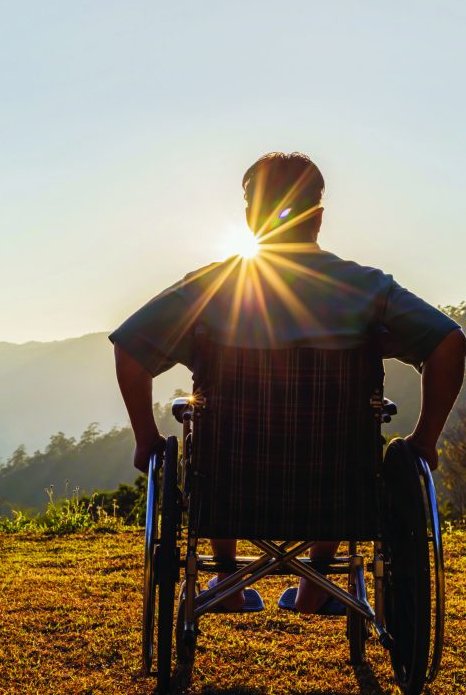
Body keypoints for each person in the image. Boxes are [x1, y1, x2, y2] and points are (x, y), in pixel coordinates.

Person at [110, 152, 465, 613]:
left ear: (250, 218)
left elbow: (130, 349)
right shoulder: (368, 288)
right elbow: (450, 343)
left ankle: (227, 580)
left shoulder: (209, 287)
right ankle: (317, 587)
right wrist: (425, 440)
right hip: (335, 484)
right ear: (318, 218)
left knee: (213, 431)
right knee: (336, 443)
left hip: (232, 482)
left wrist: (146, 439)